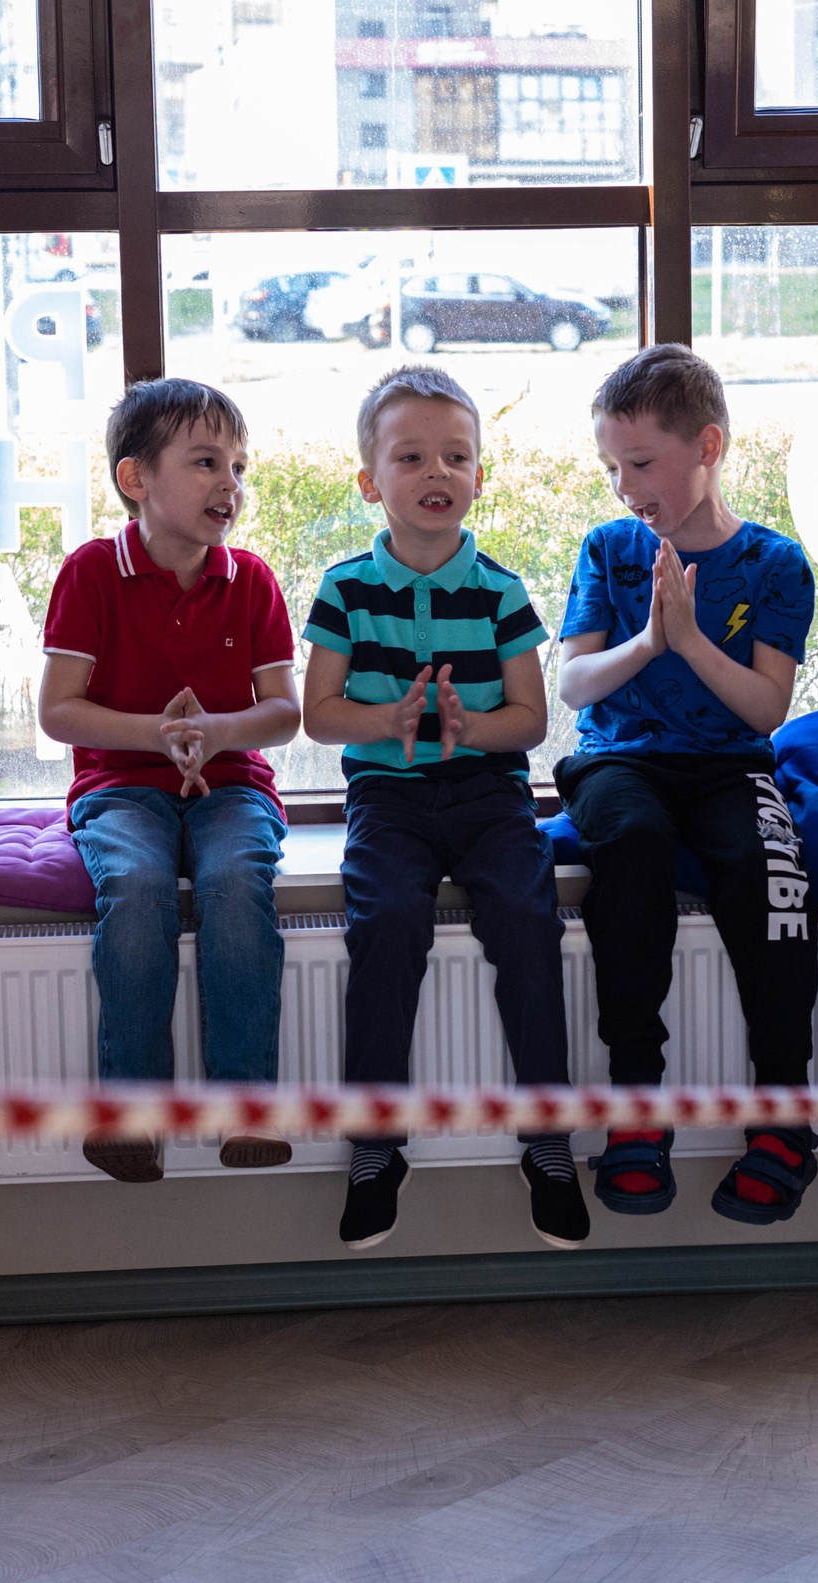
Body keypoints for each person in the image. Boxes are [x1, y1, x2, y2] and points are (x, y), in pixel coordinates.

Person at [299, 365, 587, 1252]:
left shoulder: (500, 592)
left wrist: (473, 731)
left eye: (455, 456)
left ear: (479, 477)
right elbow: (318, 713)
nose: (437, 472)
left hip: (490, 796)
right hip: (387, 798)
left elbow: (532, 721)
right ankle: (376, 1144)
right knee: (385, 922)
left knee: (528, 920)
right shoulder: (346, 590)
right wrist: (388, 721)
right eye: (412, 455)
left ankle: (548, 1137)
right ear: (370, 480)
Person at [556, 344, 818, 1225]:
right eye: (611, 466)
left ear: (706, 446)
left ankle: (783, 1117)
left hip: (729, 767)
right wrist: (647, 642)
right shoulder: (609, 549)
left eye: (639, 463)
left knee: (773, 870)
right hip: (619, 761)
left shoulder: (776, 564)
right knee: (632, 843)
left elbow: (764, 713)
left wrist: (694, 639)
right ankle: (638, 1102)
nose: (624, 485)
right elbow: (576, 685)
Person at [40, 379, 301, 1184]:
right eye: (206, 463)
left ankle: (245, 1104)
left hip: (231, 786)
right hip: (121, 787)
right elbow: (61, 712)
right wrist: (157, 733)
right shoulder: (89, 574)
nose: (231, 483)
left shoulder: (251, 579)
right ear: (136, 480)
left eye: (238, 466)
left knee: (233, 885)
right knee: (136, 887)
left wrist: (214, 733)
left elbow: (283, 712)